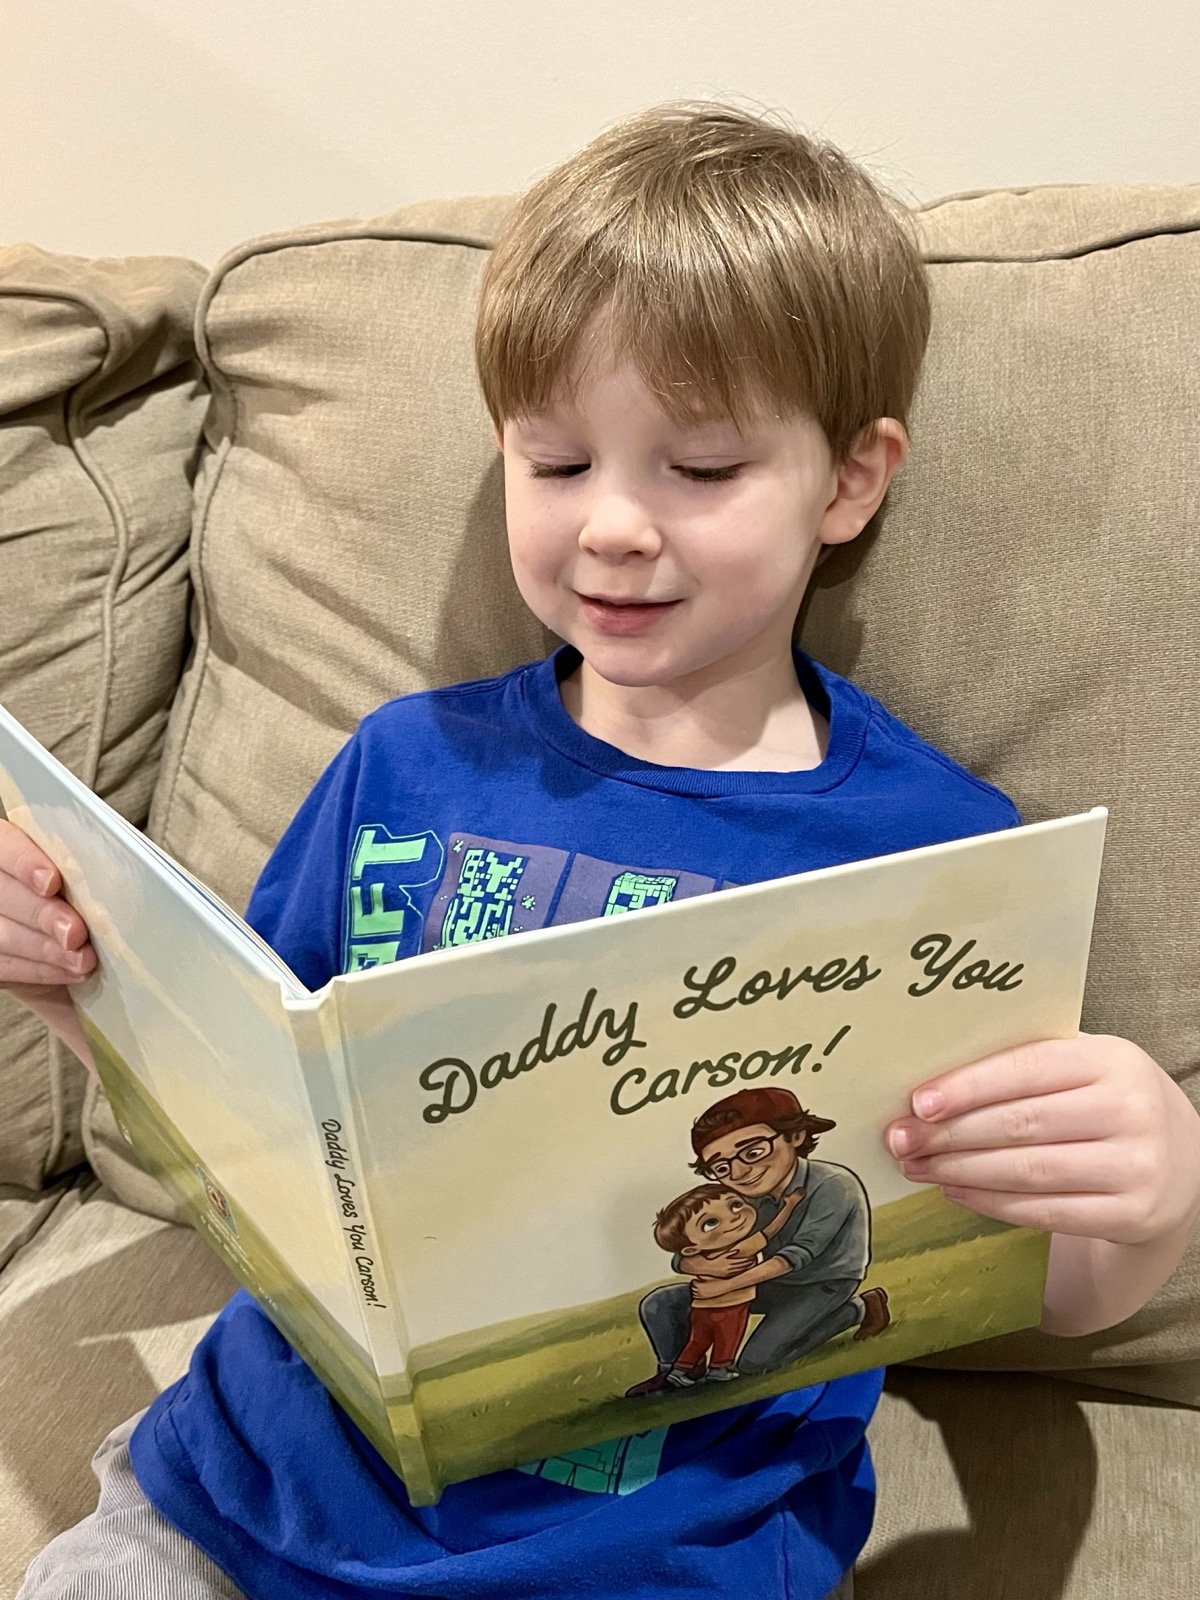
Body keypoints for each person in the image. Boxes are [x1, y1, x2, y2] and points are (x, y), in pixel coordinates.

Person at [4, 101, 1199, 1600]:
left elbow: (1024, 1275)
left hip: (657, 1559)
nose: (614, 526)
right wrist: (76, 977)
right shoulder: (407, 763)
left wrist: (1150, 1198)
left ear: (849, 480)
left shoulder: (935, 861)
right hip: (239, 1494)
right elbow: (251, 1107)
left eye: (702, 468)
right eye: (558, 462)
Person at [630, 1089, 887, 1397]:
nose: (739, 1173)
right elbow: (688, 1245)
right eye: (721, 1167)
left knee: (757, 1362)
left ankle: (860, 1308)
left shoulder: (833, 1185)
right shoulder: (738, 1197)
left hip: (823, 1283)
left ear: (795, 1136)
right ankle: (678, 1372)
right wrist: (701, 1264)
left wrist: (724, 1285)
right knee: (660, 1303)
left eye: (752, 1153)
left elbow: (794, 1257)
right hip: (765, 1283)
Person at [646, 1166, 805, 1387]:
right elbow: (771, 1230)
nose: (734, 1217)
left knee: (697, 1341)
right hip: (732, 1306)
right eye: (710, 1223)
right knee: (728, 1339)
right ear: (691, 1248)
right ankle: (718, 1369)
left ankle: (679, 1370)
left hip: (702, 1309)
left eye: (735, 1205)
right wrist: (790, 1206)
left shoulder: (704, 1253)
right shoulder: (739, 1249)